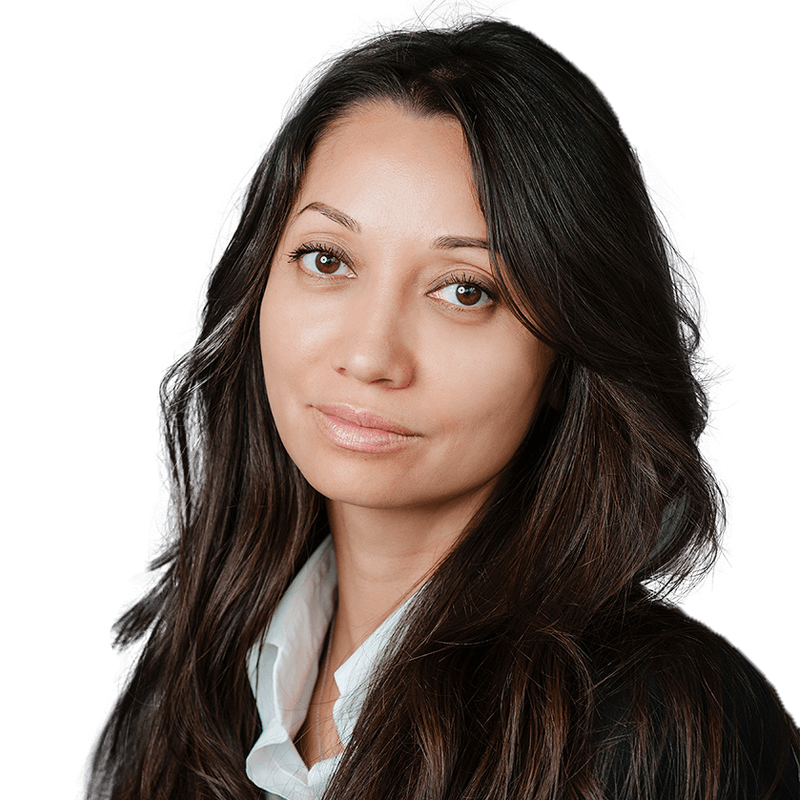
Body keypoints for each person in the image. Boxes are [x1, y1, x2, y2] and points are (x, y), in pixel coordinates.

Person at [78, 8, 799, 800]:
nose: (369, 356)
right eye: (327, 259)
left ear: (566, 355)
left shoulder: (659, 724)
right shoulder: (193, 671)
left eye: (464, 291)